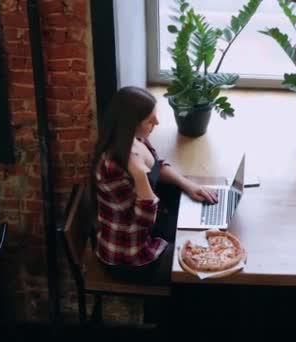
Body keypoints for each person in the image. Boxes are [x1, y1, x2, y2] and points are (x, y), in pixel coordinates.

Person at [91, 86, 217, 283]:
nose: (156, 122)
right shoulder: (112, 168)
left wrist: (188, 185)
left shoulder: (136, 139)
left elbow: (157, 166)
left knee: (205, 235)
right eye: (150, 120)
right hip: (131, 256)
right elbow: (143, 222)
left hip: (151, 228)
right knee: (199, 273)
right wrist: (140, 176)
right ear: (131, 124)